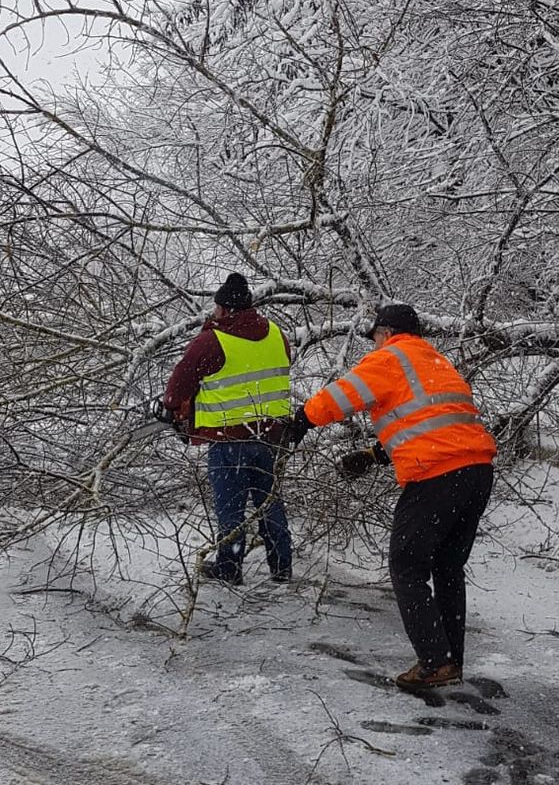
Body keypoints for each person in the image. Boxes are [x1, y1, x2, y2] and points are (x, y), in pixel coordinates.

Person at [285, 303, 496, 689]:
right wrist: (373, 455)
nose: (374, 344)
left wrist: (303, 419)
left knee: (406, 565)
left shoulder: (391, 356)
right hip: (477, 471)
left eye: (375, 337)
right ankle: (450, 661)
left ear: (386, 332)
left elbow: (345, 394)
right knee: (448, 567)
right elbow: (435, 423)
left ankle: (435, 662)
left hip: (438, 473)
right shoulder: (436, 363)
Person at [159, 272, 294, 586]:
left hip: (229, 439)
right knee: (270, 504)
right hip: (272, 436)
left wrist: (175, 407)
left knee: (230, 510)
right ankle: (281, 567)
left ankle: (230, 569)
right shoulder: (277, 334)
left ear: (224, 308)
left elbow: (177, 388)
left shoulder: (212, 341)